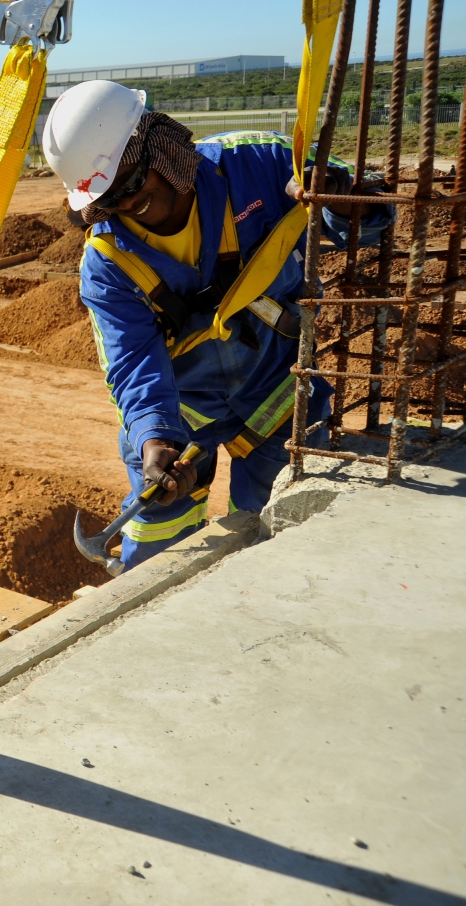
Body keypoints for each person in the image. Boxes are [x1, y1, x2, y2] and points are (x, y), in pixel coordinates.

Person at [42, 81, 393, 567]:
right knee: (157, 545)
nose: (124, 205)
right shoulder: (107, 263)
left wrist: (340, 198)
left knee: (279, 540)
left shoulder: (260, 164)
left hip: (277, 386)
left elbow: (377, 219)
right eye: (107, 200)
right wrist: (154, 439)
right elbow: (131, 363)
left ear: (158, 141)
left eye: (130, 184)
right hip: (183, 413)